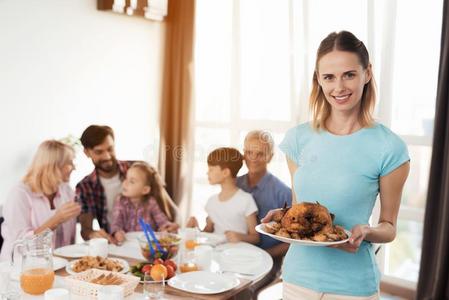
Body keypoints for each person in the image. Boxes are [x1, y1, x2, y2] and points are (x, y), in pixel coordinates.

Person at [263, 31, 410, 299]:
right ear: (318, 80)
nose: (338, 87)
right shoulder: (298, 139)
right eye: (329, 77)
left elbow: (388, 227)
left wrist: (366, 231)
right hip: (297, 280)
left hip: (352, 287)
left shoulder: (390, 148)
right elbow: (300, 208)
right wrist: (283, 217)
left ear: (367, 74)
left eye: (349, 74)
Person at [0, 140, 81, 261]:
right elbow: (21, 246)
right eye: (69, 163)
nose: (74, 167)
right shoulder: (19, 194)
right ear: (54, 165)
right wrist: (56, 219)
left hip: (57, 265)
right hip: (19, 267)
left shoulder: (66, 189)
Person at [236, 130, 292, 298]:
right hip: (236, 255)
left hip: (269, 260)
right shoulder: (235, 185)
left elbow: (293, 241)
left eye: (260, 154)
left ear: (270, 156)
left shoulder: (284, 193)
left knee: (244, 292)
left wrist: (266, 255)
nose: (253, 158)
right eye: (249, 152)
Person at [187, 147, 260, 244]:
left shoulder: (246, 199)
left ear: (225, 172)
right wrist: (195, 229)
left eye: (211, 169)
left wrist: (239, 236)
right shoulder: (211, 201)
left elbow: (256, 238)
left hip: (238, 254)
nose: (207, 172)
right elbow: (207, 232)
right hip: (215, 254)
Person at [111, 161, 179, 244]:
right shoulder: (120, 201)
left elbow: (162, 222)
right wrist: (117, 232)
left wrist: (167, 228)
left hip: (148, 244)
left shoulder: (151, 202)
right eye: (126, 178)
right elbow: (116, 223)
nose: (125, 183)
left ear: (145, 190)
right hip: (127, 243)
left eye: (132, 181)